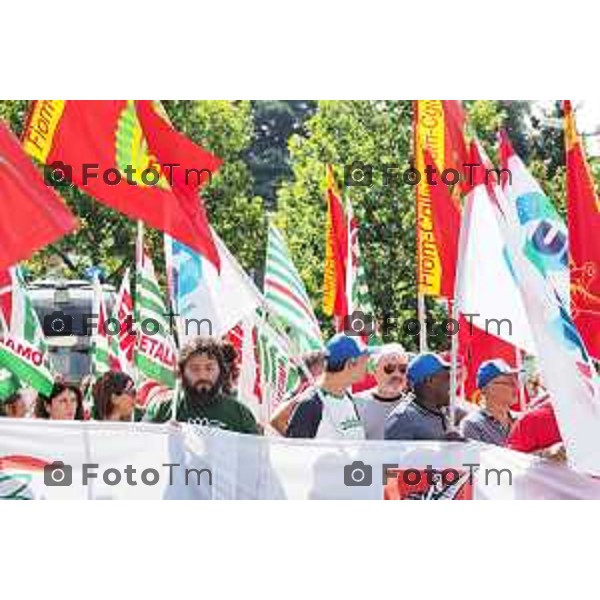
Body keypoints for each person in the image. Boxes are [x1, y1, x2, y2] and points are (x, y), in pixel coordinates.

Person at [144, 336, 260, 434]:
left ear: (221, 371)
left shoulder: (240, 415)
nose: (202, 375)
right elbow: (139, 450)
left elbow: (258, 457)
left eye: (209, 368)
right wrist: (160, 436)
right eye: (194, 369)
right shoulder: (162, 410)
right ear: (181, 372)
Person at [285, 334, 369, 439]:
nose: (367, 365)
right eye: (365, 359)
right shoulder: (310, 405)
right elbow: (294, 452)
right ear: (350, 364)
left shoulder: (348, 399)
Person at [384, 353, 463, 441]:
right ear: (429, 380)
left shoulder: (442, 411)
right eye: (447, 378)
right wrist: (440, 447)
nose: (453, 384)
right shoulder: (402, 419)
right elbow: (395, 454)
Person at [353, 343, 409, 439]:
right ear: (375, 370)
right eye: (389, 368)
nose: (397, 374)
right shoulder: (356, 403)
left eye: (402, 369)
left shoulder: (412, 406)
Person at [459, 359, 518, 446]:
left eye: (516, 381)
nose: (515, 386)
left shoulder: (520, 419)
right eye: (508, 382)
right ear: (486, 389)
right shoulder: (473, 424)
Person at [269, 350, 326, 435]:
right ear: (309, 370)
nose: (326, 373)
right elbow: (275, 421)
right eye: (322, 368)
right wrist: (295, 438)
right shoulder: (298, 395)